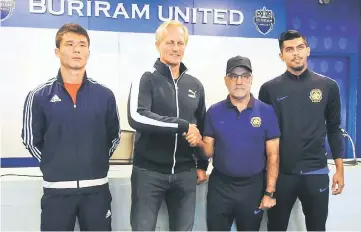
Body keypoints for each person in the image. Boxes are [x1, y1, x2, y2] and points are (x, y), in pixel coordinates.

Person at [21, 23, 120, 231]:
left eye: (82, 45)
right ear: (57, 51)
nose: (77, 49)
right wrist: (55, 161)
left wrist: (95, 159)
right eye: (70, 44)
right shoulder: (39, 96)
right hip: (56, 193)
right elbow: (31, 140)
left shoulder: (105, 95)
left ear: (88, 52)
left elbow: (114, 136)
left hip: (96, 191)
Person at [258, 30, 345, 231]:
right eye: (289, 49)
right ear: (281, 55)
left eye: (300, 47)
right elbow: (263, 136)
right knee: (276, 227)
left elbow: (334, 129)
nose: (295, 53)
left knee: (317, 228)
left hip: (316, 172)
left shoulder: (328, 86)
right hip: (282, 175)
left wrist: (339, 171)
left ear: (307, 50)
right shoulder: (269, 89)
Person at [127, 20, 209, 231]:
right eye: (170, 42)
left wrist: (201, 165)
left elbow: (202, 126)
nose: (175, 48)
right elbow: (137, 117)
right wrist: (182, 126)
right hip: (148, 173)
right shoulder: (146, 78)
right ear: (158, 45)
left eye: (180, 43)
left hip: (185, 174)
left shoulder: (195, 85)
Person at [188, 55, 280, 231]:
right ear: (226, 80)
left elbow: (273, 156)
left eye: (244, 76)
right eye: (234, 76)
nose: (239, 81)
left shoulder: (267, 112)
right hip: (220, 188)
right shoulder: (214, 112)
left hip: (253, 188)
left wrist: (269, 192)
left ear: (251, 80)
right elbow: (207, 152)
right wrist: (199, 142)